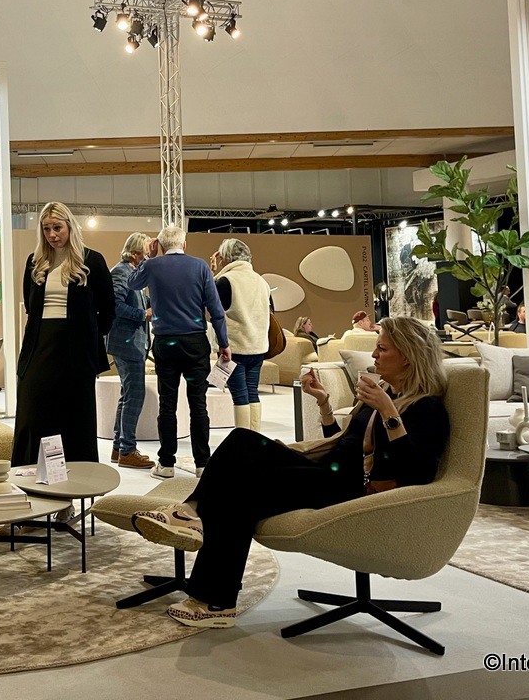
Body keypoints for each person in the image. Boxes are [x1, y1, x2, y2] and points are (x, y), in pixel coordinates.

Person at [132, 317, 449, 629]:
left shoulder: (426, 408)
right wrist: (324, 403)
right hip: (328, 470)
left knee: (242, 490)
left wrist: (389, 413)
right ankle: (190, 514)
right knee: (241, 441)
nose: (375, 354)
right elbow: (346, 445)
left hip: (353, 490)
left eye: (383, 349)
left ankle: (215, 598)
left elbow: (418, 472)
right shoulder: (384, 392)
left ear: (407, 357)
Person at [11, 202, 115, 466]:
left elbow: (108, 310)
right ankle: (31, 473)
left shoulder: (91, 261)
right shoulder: (35, 262)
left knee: (74, 417)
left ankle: (76, 477)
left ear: (70, 226)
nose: (52, 234)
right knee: (33, 412)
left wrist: (89, 337)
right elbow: (30, 307)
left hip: (76, 352)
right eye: (46, 229)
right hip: (39, 345)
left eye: (57, 227)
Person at [128, 225, 229, 479]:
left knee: (167, 405)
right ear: (184, 245)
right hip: (195, 344)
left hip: (166, 344)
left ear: (160, 246)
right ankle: (202, 464)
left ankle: (166, 464)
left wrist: (149, 257)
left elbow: (132, 282)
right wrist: (224, 343)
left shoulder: (153, 266)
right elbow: (215, 309)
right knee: (198, 405)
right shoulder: (200, 266)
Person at [211, 239, 272, 432]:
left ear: (226, 257)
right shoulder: (262, 281)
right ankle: (254, 438)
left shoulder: (226, 281)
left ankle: (243, 441)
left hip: (234, 348)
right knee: (252, 392)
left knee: (239, 396)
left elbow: (212, 306)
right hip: (258, 347)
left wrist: (213, 273)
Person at [107, 232, 154, 469]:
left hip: (132, 343)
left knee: (128, 396)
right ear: (135, 254)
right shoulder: (121, 272)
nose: (148, 258)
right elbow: (115, 305)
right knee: (134, 396)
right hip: (127, 343)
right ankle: (127, 451)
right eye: (146, 253)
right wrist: (143, 314)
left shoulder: (132, 273)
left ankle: (119, 448)